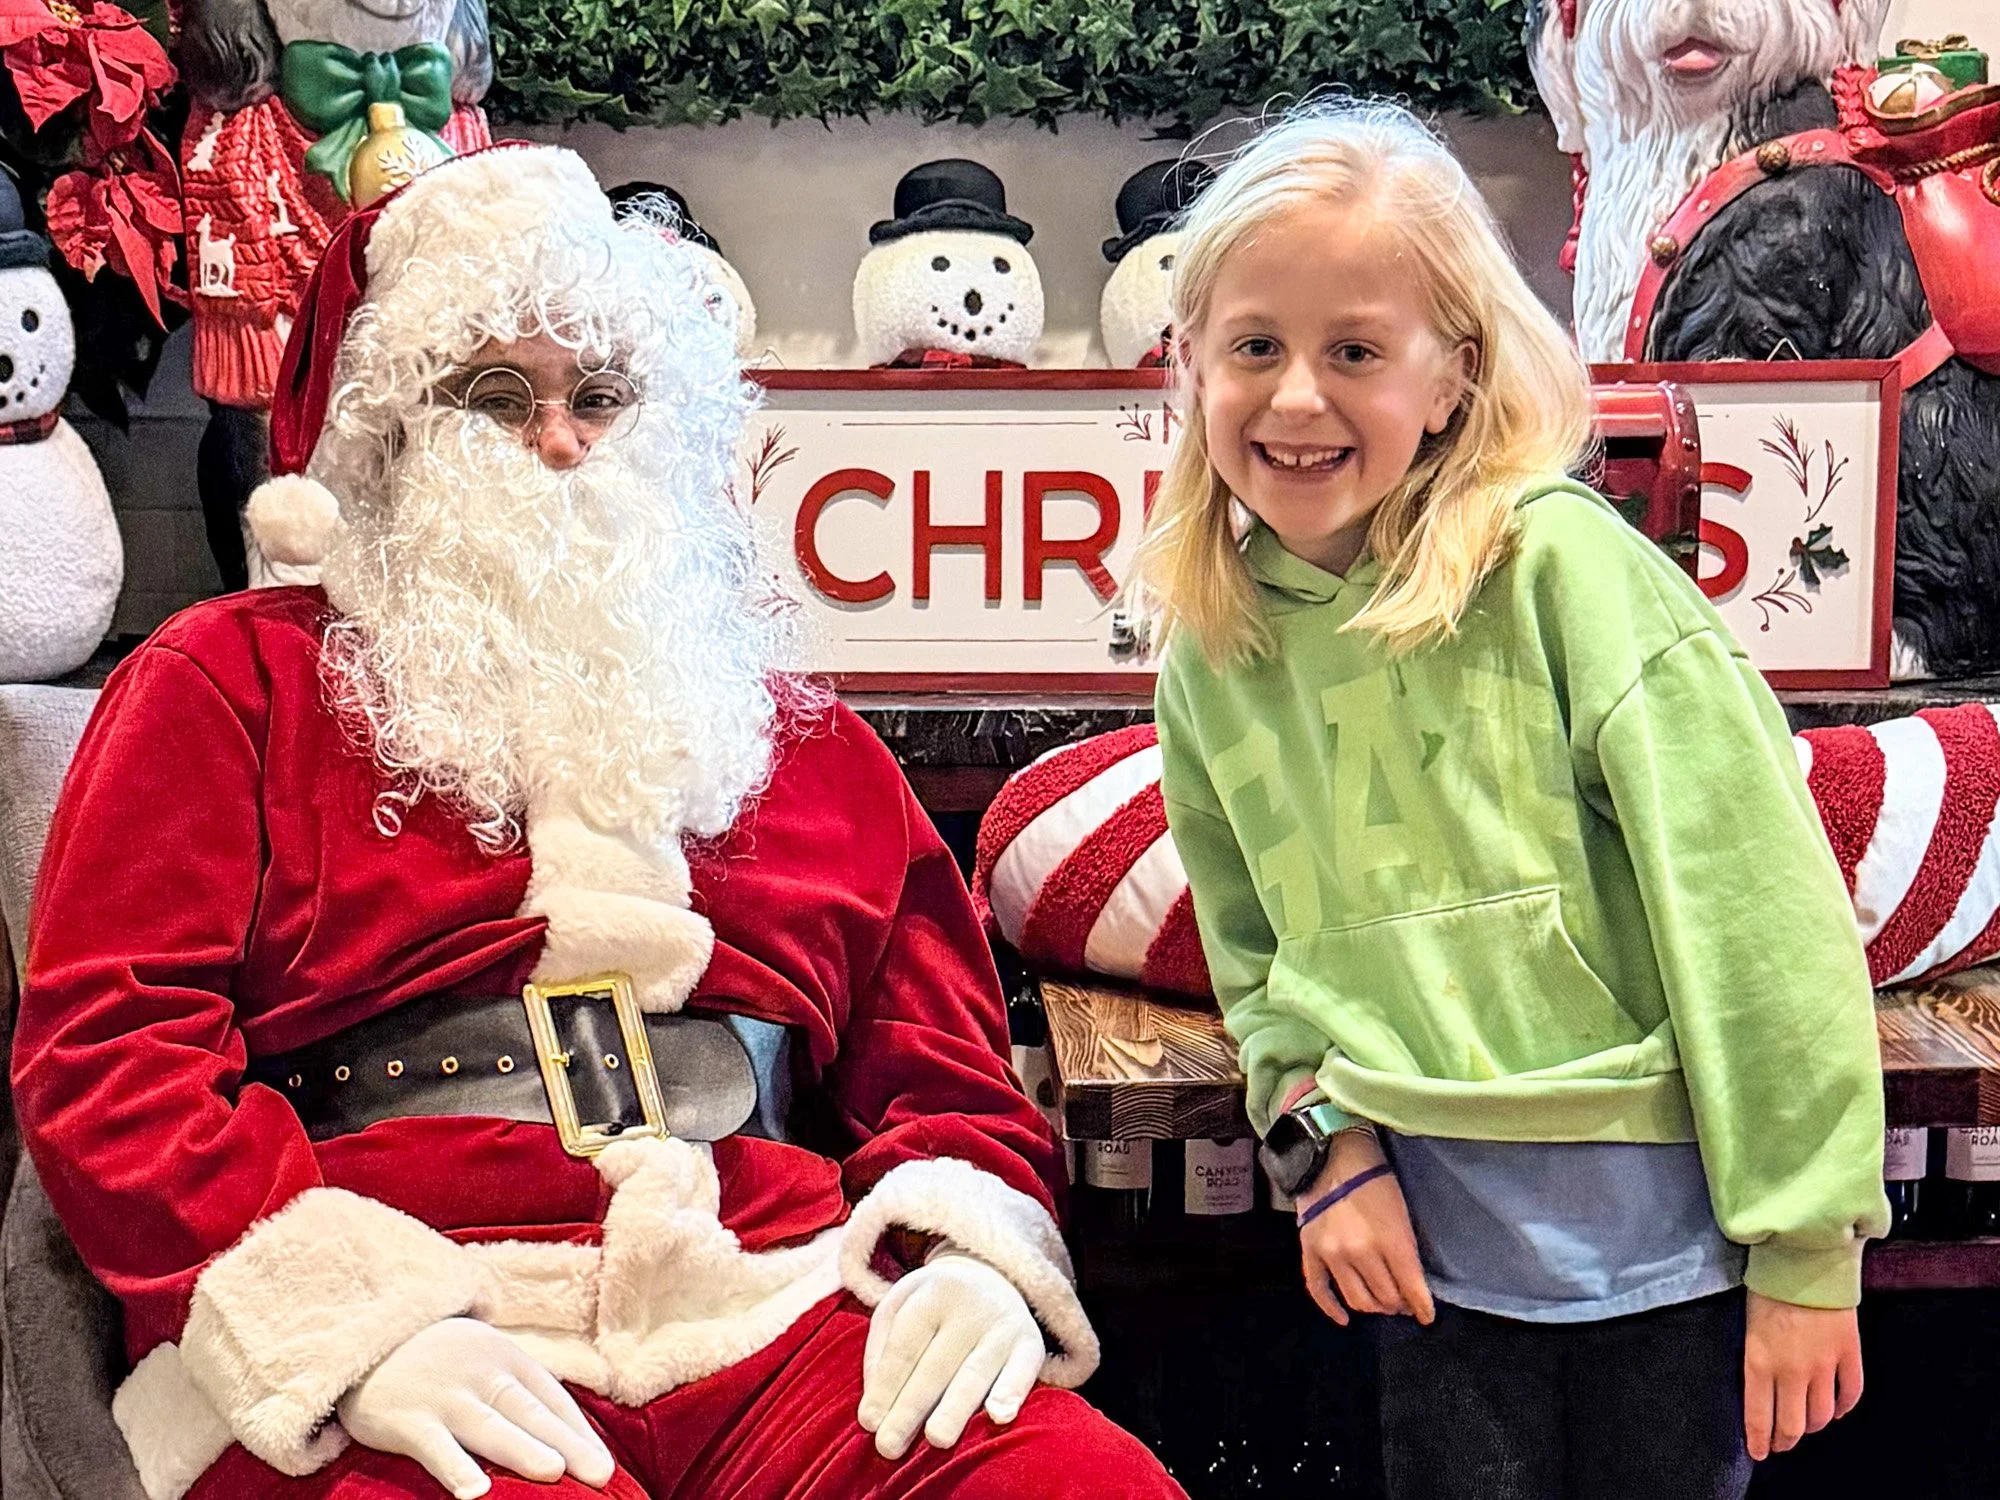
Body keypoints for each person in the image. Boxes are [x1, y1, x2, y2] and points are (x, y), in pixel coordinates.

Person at [13, 143, 1183, 1500]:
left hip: (768, 1301)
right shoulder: (234, 683)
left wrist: (971, 1256)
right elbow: (116, 1051)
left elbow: (942, 1065)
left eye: (602, 393)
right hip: (412, 1311)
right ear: (388, 437)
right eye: (497, 395)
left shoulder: (791, 732)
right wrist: (344, 1322)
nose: (562, 439)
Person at [1137, 102, 1888, 1500]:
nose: (1296, 397)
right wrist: (1328, 1155)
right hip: (1429, 1258)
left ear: (1453, 374)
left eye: (1353, 350)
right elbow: (1261, 967)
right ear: (1194, 366)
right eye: (1254, 348)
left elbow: (1759, 916)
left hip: (1683, 1270)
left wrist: (1808, 1246)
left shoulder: (1569, 577)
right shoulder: (1215, 645)